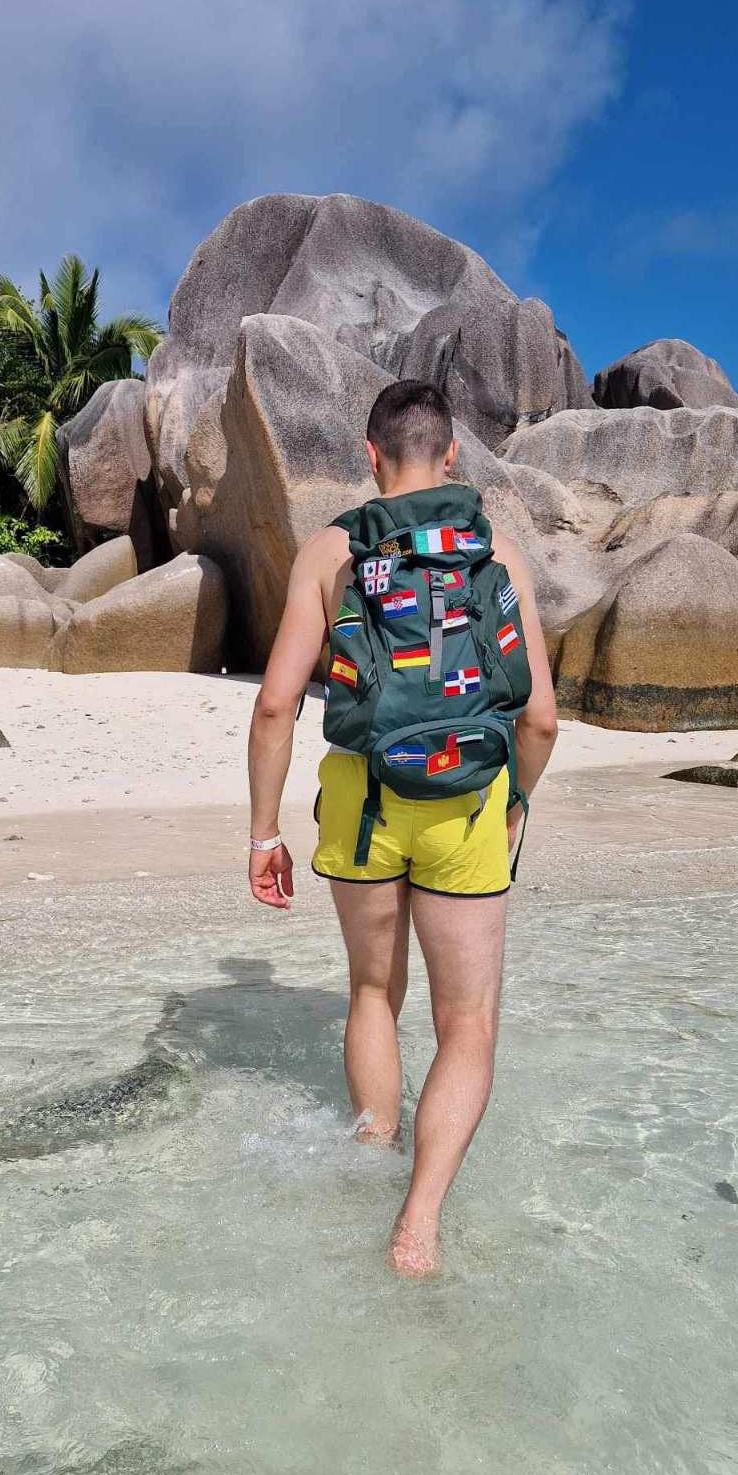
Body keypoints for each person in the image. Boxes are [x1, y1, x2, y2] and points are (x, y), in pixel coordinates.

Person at [246, 381, 558, 1277]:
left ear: (370, 453)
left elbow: (275, 707)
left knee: (372, 992)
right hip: (467, 801)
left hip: (363, 800)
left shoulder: (330, 551)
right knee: (467, 1022)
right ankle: (418, 1223)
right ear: (451, 455)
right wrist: (514, 804)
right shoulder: (499, 553)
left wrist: (264, 834)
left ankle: (372, 1150)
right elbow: (539, 720)